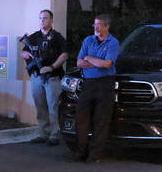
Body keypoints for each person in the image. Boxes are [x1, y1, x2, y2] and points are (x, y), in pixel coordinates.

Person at [75, 14, 120, 162]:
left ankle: (95, 154)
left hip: (105, 84)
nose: (96, 28)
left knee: (101, 120)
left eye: (99, 25)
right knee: (81, 117)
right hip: (88, 83)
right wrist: (94, 61)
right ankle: (81, 151)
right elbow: (79, 62)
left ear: (107, 26)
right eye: (94, 25)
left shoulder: (113, 43)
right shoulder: (88, 40)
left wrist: (89, 58)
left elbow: (107, 64)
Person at [21, 9, 68, 146]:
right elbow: (23, 51)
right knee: (40, 106)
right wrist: (25, 54)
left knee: (53, 106)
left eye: (45, 18)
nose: (42, 21)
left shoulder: (57, 37)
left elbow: (64, 55)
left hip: (52, 77)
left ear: (51, 20)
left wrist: (52, 67)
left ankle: (54, 134)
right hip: (36, 77)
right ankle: (43, 132)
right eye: (40, 18)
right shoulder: (34, 36)